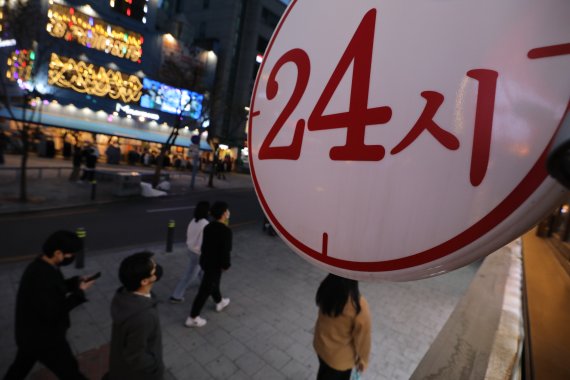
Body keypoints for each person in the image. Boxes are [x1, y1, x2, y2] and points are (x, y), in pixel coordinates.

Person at [4, 230, 97, 380]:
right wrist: (79, 293)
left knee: (20, 367)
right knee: (70, 372)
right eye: (71, 254)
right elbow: (54, 312)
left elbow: (56, 287)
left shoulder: (43, 265)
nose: (72, 257)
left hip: (29, 335)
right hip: (45, 339)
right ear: (58, 253)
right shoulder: (42, 277)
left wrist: (75, 282)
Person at [107, 251, 164, 380]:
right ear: (144, 281)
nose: (157, 269)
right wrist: (156, 368)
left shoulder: (124, 295)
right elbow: (137, 356)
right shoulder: (144, 316)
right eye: (154, 269)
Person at [313, 274, 372, 380]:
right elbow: (363, 339)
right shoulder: (358, 306)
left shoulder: (325, 286)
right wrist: (363, 360)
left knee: (323, 371)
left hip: (320, 347)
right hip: (340, 360)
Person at [185, 201, 232, 327]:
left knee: (213, 283)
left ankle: (219, 301)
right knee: (205, 289)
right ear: (223, 214)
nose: (228, 212)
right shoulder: (226, 231)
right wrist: (226, 265)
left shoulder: (208, 227)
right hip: (215, 265)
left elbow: (205, 246)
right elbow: (225, 251)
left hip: (206, 262)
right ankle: (193, 317)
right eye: (227, 211)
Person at [169, 201, 210, 303]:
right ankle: (176, 296)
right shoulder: (205, 224)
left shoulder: (193, 221)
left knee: (201, 270)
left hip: (190, 250)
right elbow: (202, 242)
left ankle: (207, 284)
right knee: (190, 275)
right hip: (198, 253)